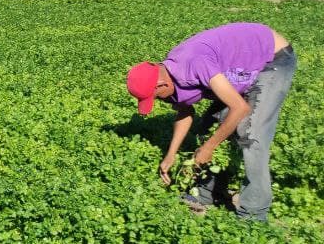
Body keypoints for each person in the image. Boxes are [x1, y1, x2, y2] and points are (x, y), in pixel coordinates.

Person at [126, 21, 295, 220]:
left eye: (155, 97)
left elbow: (240, 108)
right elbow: (184, 111)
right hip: (238, 67)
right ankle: (208, 193)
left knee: (251, 134)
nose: (160, 100)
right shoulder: (168, 73)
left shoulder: (195, 64)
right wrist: (170, 154)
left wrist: (209, 147)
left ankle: (253, 214)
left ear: (161, 84)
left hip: (270, 59)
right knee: (210, 125)